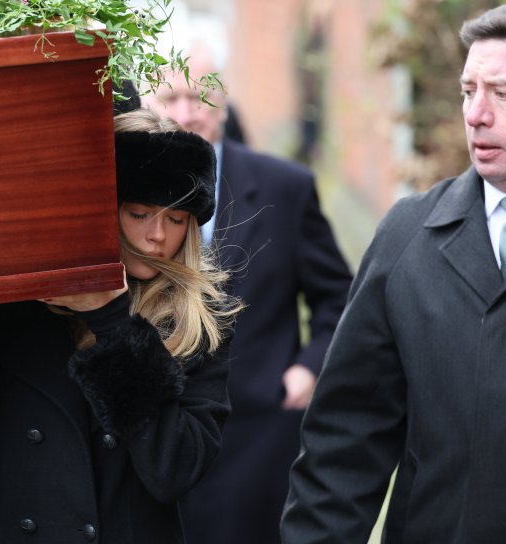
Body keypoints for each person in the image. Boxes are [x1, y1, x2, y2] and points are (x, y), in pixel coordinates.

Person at [281, 0, 506, 542]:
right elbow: (345, 441)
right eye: (468, 92)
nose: (476, 114)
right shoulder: (409, 235)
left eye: (503, 94)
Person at [0, 108, 241, 544]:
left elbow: (174, 471)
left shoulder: (200, 319)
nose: (157, 236)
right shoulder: (20, 307)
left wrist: (111, 320)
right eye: (139, 213)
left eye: (176, 218)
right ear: (101, 208)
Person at [145, 46, 352, 543]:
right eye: (170, 97)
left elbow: (340, 296)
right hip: (154, 426)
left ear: (224, 101)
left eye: (200, 98)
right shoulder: (123, 191)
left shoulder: (288, 187)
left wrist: (308, 368)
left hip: (257, 428)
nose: (184, 113)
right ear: (148, 104)